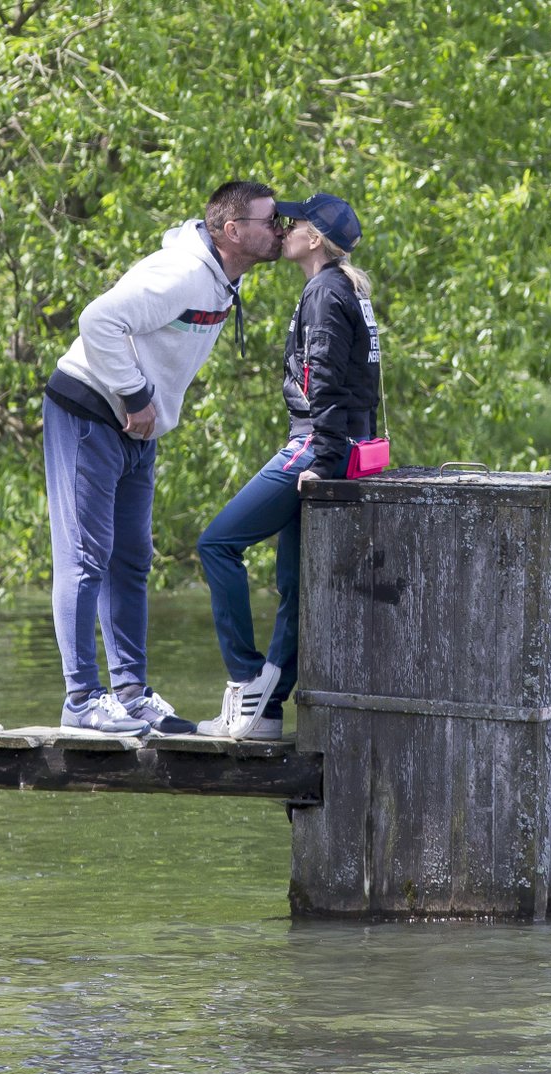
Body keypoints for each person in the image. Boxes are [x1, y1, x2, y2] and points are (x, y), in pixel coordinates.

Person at [43, 180, 286, 735]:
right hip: (89, 410)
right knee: (84, 558)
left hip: (136, 429)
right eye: (270, 220)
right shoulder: (181, 272)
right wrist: (134, 393)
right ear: (232, 231)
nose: (281, 229)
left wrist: (141, 406)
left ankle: (129, 692)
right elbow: (97, 320)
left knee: (131, 560)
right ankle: (81, 700)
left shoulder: (221, 278)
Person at [197, 193, 381, 740]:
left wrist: (321, 462)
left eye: (294, 222)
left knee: (217, 544)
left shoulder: (325, 292)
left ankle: (245, 680)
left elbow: (322, 380)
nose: (284, 228)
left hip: (318, 445)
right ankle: (267, 712)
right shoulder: (345, 288)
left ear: (315, 239)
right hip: (346, 443)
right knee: (293, 583)